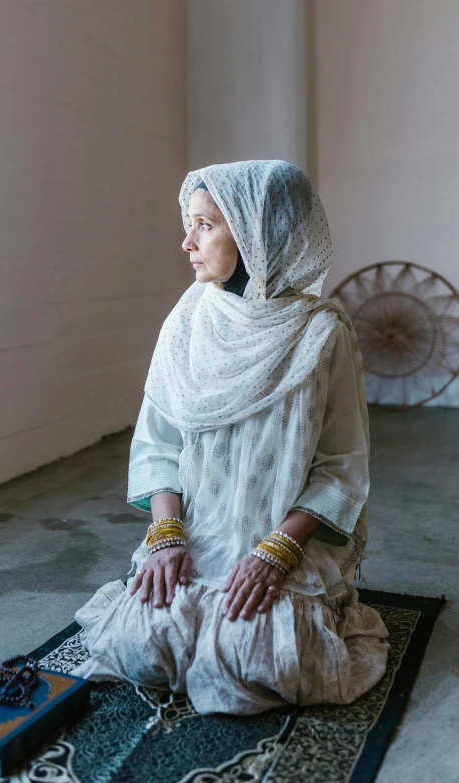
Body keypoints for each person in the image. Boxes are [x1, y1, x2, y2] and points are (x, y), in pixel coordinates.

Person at [71, 160, 389, 715]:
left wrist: (276, 554)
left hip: (278, 541)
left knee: (247, 665)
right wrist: (168, 536)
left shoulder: (321, 333)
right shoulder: (187, 321)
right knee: (144, 646)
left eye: (205, 225)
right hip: (197, 533)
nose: (186, 241)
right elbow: (158, 445)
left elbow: (340, 465)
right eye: (190, 223)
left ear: (255, 235)